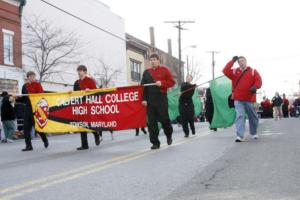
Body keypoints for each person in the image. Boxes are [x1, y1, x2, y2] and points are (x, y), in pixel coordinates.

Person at [223, 56, 262, 142]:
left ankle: (254, 132)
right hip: (238, 99)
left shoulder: (253, 71)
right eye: (239, 61)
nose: (241, 62)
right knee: (240, 116)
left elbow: (259, 80)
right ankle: (240, 136)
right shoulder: (234, 72)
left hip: (250, 99)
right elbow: (225, 71)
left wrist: (255, 86)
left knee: (253, 116)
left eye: (242, 61)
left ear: (246, 62)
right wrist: (232, 61)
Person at [141, 53, 175, 149]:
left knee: (164, 120)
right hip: (150, 100)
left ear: (158, 60)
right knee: (151, 123)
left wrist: (162, 83)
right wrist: (144, 99)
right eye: (151, 60)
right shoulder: (146, 72)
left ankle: (168, 135)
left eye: (154, 59)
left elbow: (172, 82)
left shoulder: (164, 70)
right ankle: (155, 142)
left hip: (161, 98)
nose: (152, 61)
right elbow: (142, 87)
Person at [74, 65, 101, 150]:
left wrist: (90, 90)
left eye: (80, 70)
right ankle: (84, 145)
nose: (79, 72)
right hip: (80, 106)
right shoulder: (76, 82)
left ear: (85, 71)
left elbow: (96, 92)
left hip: (88, 106)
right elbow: (74, 94)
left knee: (89, 123)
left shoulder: (90, 81)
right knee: (81, 125)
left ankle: (96, 134)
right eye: (78, 71)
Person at [20, 71, 49, 151]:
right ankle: (28, 146)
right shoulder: (24, 86)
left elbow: (41, 96)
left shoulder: (38, 85)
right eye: (31, 76)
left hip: (36, 108)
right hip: (27, 109)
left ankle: (45, 139)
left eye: (34, 76)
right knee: (26, 128)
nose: (33, 78)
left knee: (37, 128)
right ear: (28, 77)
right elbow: (23, 99)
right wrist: (16, 98)